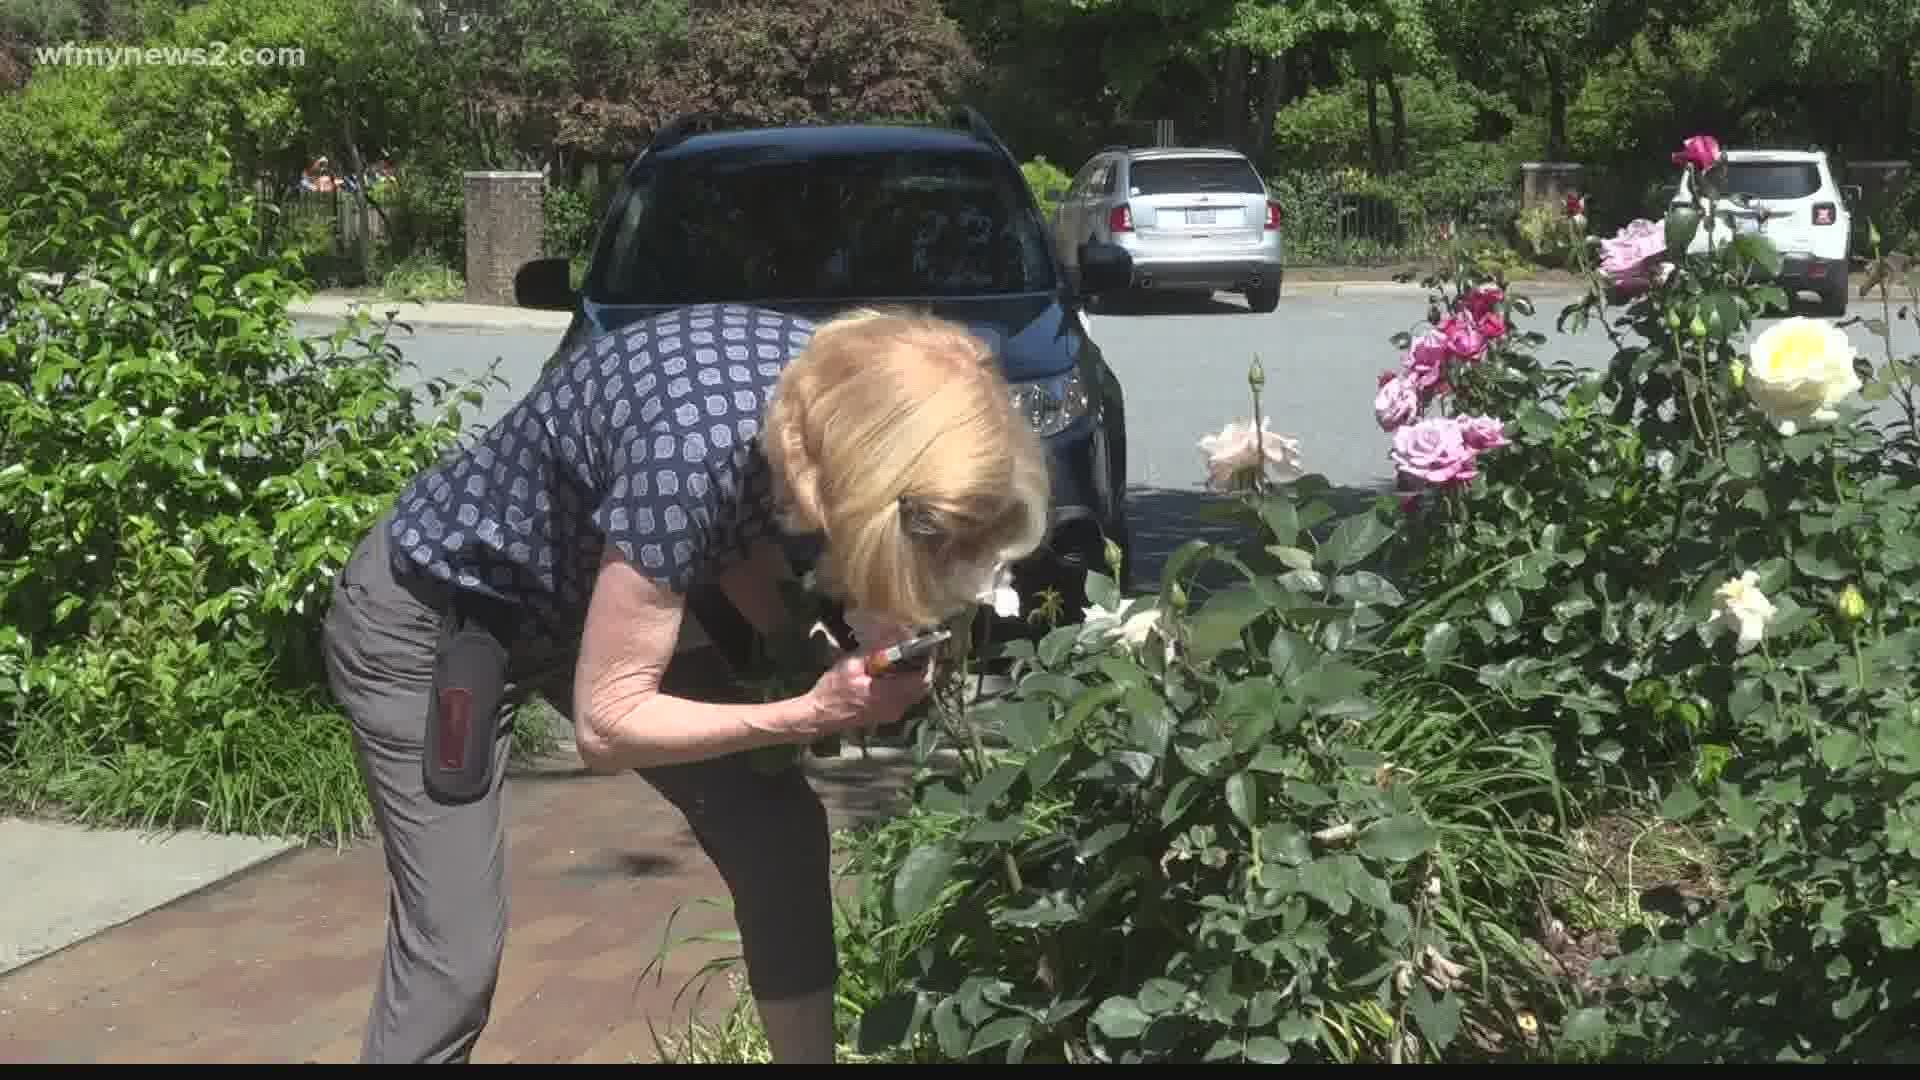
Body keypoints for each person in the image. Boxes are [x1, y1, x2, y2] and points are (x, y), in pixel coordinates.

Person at [320, 303, 1052, 1064]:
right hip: (433, 619)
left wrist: (819, 651)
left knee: (775, 831)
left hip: (590, 599)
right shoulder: (689, 446)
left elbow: (733, 542)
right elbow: (607, 725)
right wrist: (811, 709)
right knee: (454, 954)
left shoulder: (831, 387)